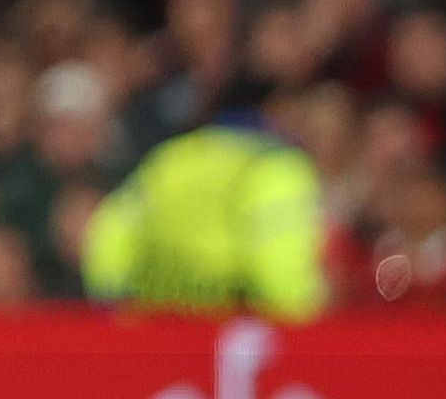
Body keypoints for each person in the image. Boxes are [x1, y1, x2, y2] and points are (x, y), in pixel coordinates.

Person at [84, 83, 332, 320]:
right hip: (231, 332)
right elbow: (279, 270)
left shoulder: (172, 156)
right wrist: (310, 328)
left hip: (156, 327)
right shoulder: (279, 169)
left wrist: (112, 307)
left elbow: (113, 227)